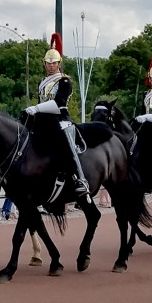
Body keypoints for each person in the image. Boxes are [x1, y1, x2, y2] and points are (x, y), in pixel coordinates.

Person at [22, 32, 90, 200]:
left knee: (66, 147)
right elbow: (41, 101)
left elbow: (59, 103)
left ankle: (79, 179)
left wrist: (36, 108)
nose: (51, 66)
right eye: (48, 63)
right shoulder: (42, 82)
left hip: (60, 119)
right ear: (44, 64)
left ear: (59, 64)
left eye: (54, 63)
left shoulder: (64, 81)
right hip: (42, 119)